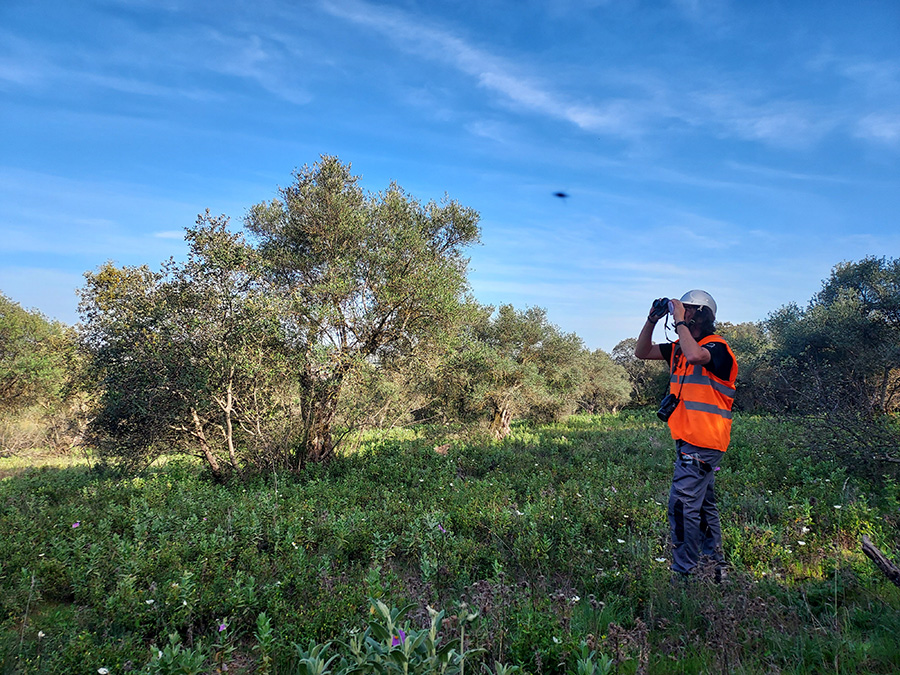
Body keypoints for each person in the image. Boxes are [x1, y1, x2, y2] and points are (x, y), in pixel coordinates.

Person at [634, 290, 738, 580]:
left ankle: (685, 575)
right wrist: (652, 319)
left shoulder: (718, 348)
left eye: (689, 309)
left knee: (681, 507)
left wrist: (679, 320)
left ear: (702, 315)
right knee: (704, 507)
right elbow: (641, 352)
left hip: (703, 441)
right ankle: (714, 569)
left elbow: (696, 355)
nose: (682, 312)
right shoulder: (679, 347)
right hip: (689, 440)